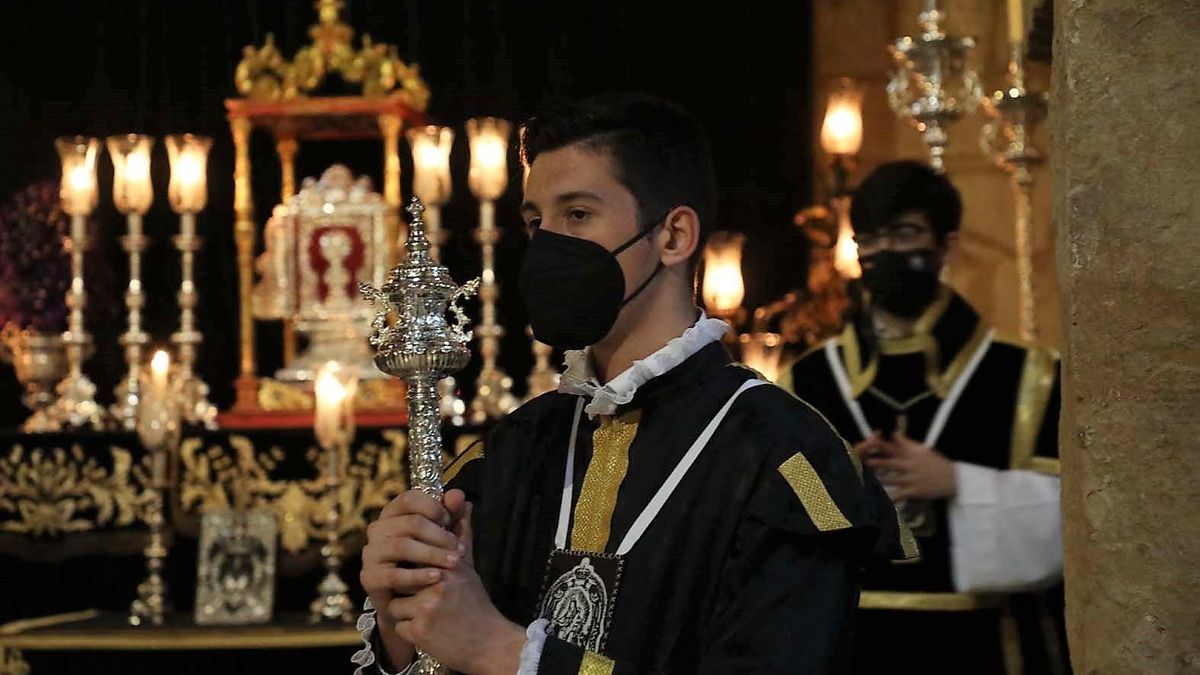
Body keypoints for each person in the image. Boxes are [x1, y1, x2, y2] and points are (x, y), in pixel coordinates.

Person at [353, 94, 913, 675]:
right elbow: (434, 653)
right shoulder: (514, 447)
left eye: (577, 215)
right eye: (535, 222)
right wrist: (405, 625)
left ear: (673, 236)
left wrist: (500, 652)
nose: (548, 246)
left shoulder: (783, 455)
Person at [780, 160, 1068, 674]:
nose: (885, 252)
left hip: (982, 642)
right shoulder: (808, 381)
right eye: (868, 239)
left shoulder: (1029, 376)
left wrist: (958, 482)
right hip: (848, 640)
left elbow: (1072, 529)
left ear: (946, 245)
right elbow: (772, 511)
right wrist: (837, 479)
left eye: (905, 233)